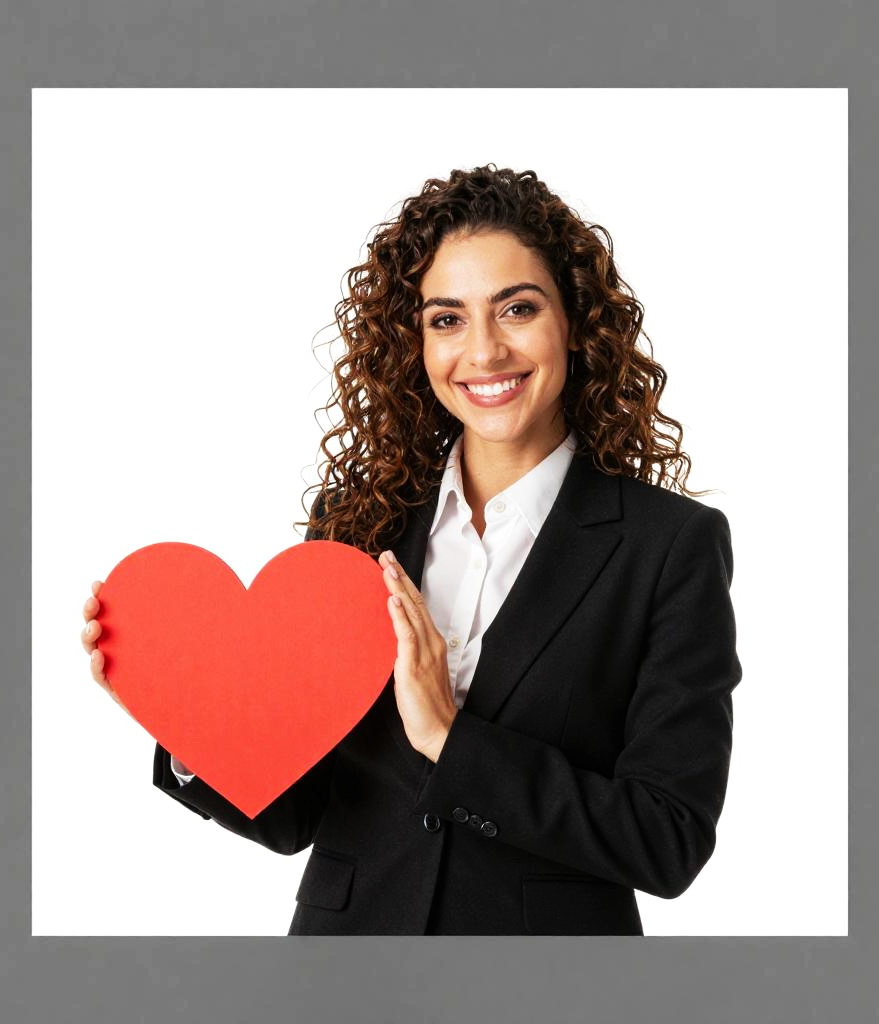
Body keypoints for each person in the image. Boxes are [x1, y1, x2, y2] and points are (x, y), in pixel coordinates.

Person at [81, 166, 741, 935]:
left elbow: (668, 838)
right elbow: (294, 814)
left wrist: (450, 739)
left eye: (518, 309)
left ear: (575, 321)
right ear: (414, 343)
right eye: (446, 320)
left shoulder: (667, 548)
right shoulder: (359, 524)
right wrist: (187, 721)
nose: (484, 351)